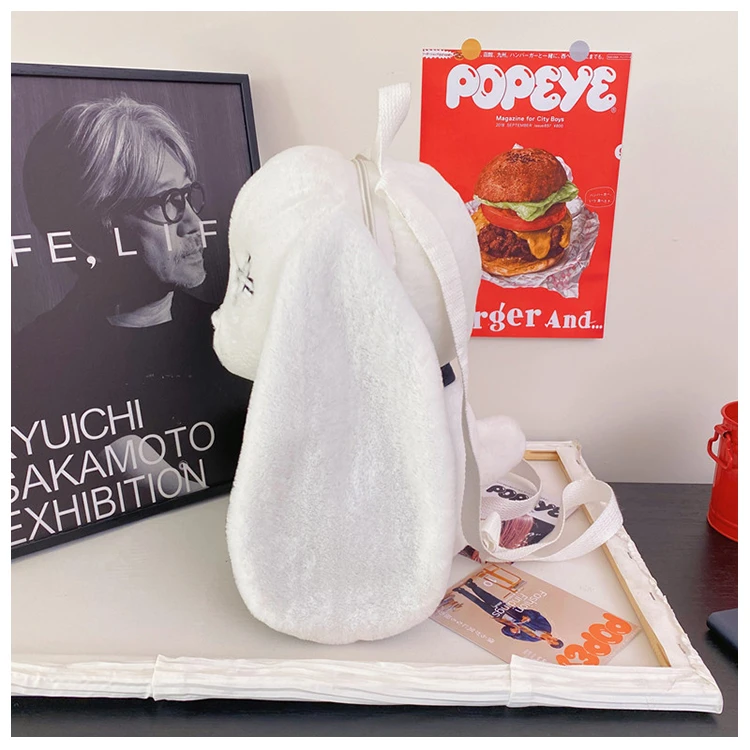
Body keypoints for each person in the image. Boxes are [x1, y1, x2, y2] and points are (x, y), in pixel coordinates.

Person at [11, 95, 251, 545]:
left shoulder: (237, 331)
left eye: (188, 196)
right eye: (168, 202)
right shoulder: (29, 367)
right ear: (92, 230)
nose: (194, 224)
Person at [453, 578, 564, 648]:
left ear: (549, 644)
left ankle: (461, 591)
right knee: (488, 597)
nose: (551, 640)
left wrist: (513, 631)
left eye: (551, 643)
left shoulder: (533, 638)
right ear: (556, 638)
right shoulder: (546, 627)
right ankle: (471, 585)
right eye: (554, 640)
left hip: (502, 618)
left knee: (480, 604)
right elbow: (536, 615)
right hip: (509, 611)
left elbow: (507, 633)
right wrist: (528, 617)